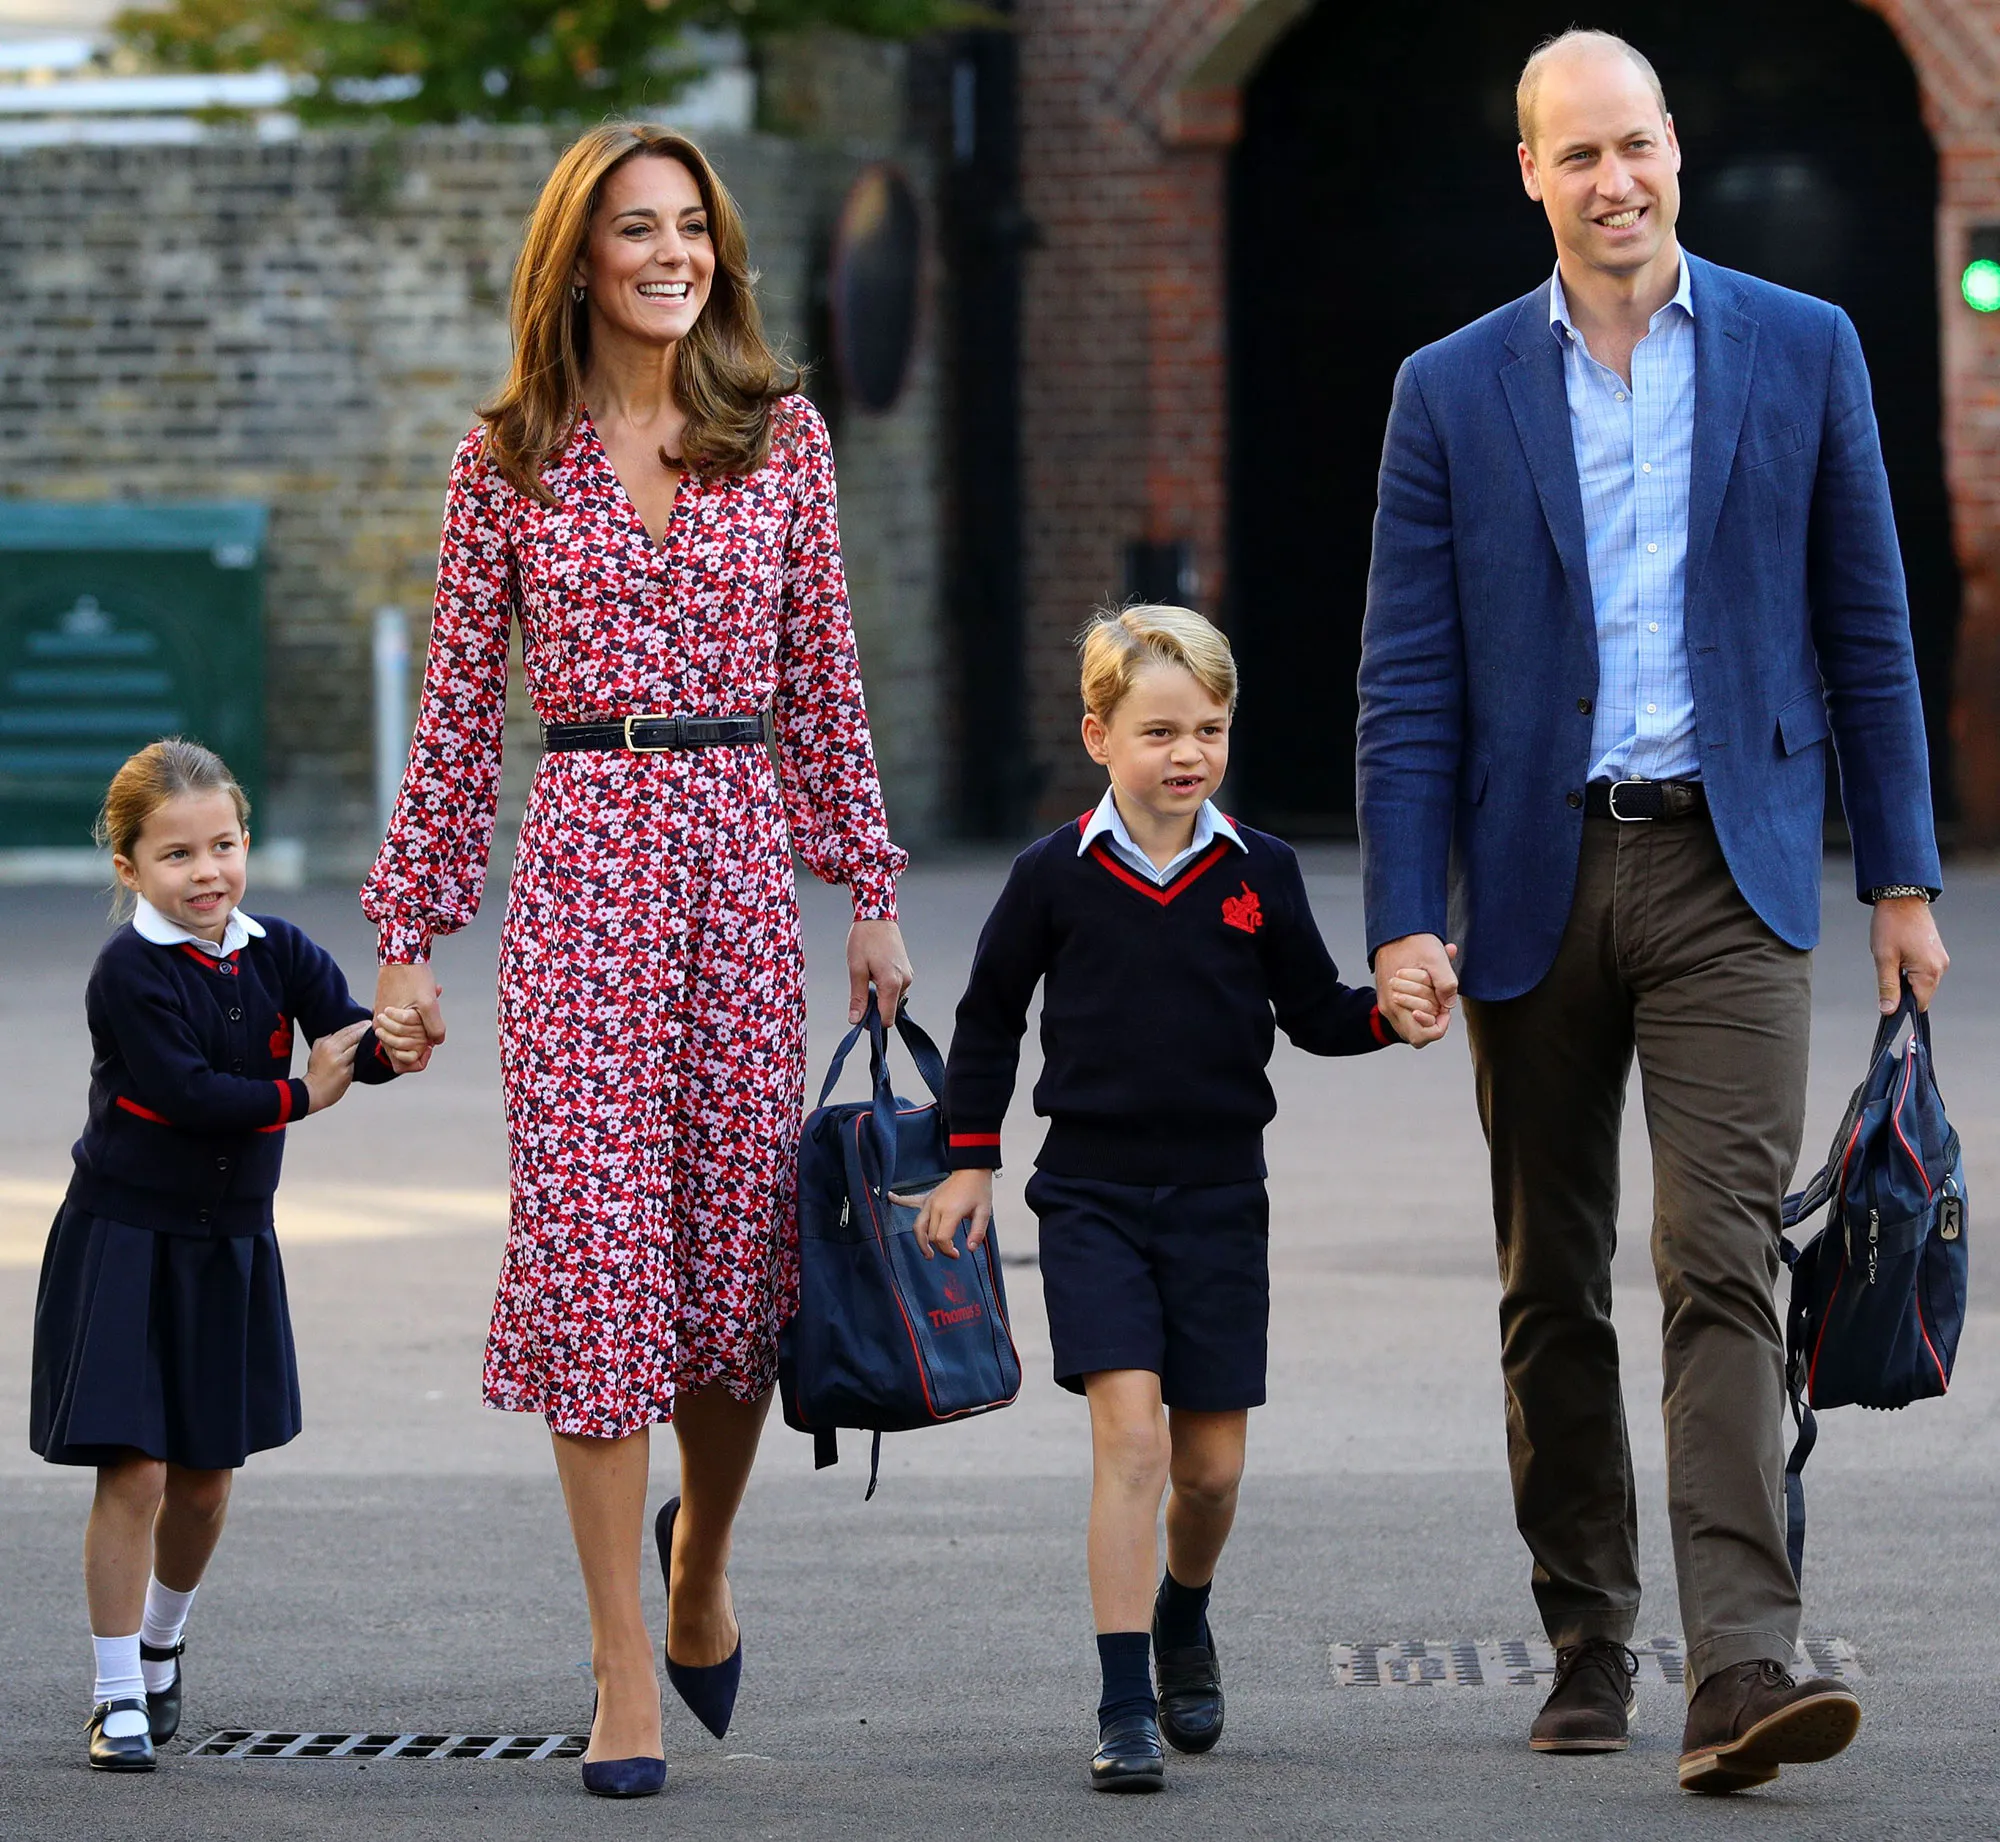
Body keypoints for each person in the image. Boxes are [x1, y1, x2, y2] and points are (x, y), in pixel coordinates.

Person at [1358, 29, 1950, 1795]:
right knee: (1552, 1282)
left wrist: (1900, 875)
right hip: (1530, 876)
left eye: (1638, 148)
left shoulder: (1803, 344)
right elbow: (1407, 678)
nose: (1614, 183)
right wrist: (1402, 910)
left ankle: (1745, 1666)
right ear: (1528, 175)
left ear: (1675, 149)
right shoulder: (1449, 389)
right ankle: (1589, 1630)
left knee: (1720, 1263)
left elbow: (1870, 624)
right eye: (1577, 156)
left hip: (1732, 866)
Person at [360, 124, 913, 1800]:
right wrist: (407, 936)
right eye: (634, 230)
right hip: (584, 865)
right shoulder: (506, 458)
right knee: (600, 1263)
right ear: (578, 260)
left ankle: (698, 1566)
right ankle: (620, 1664)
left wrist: (867, 885)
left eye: (691, 228)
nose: (668, 253)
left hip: (739, 856)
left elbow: (825, 676)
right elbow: (458, 719)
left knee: (737, 1277)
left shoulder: (782, 438)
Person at [910, 605, 1415, 1793]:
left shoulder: (1261, 871)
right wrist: (970, 1156)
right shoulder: (1050, 877)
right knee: (1128, 1440)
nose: (1185, 754)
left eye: (1208, 729)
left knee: (1211, 1472)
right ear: (1098, 737)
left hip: (1218, 1198)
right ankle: (1122, 1697)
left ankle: (1184, 1610)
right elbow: (986, 1019)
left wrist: (1387, 1015)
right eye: (1156, 731)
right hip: (1085, 1195)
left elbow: (1312, 1011)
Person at [30, 737, 414, 1773]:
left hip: (230, 1246)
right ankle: (115, 1695)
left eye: (225, 846)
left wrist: (392, 1039)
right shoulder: (127, 973)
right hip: (124, 1237)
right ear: (129, 868)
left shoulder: (278, 948)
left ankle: (160, 1649)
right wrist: (304, 1094)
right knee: (136, 1467)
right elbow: (185, 1096)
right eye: (177, 855)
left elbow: (347, 1039)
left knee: (204, 1479)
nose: (207, 873)